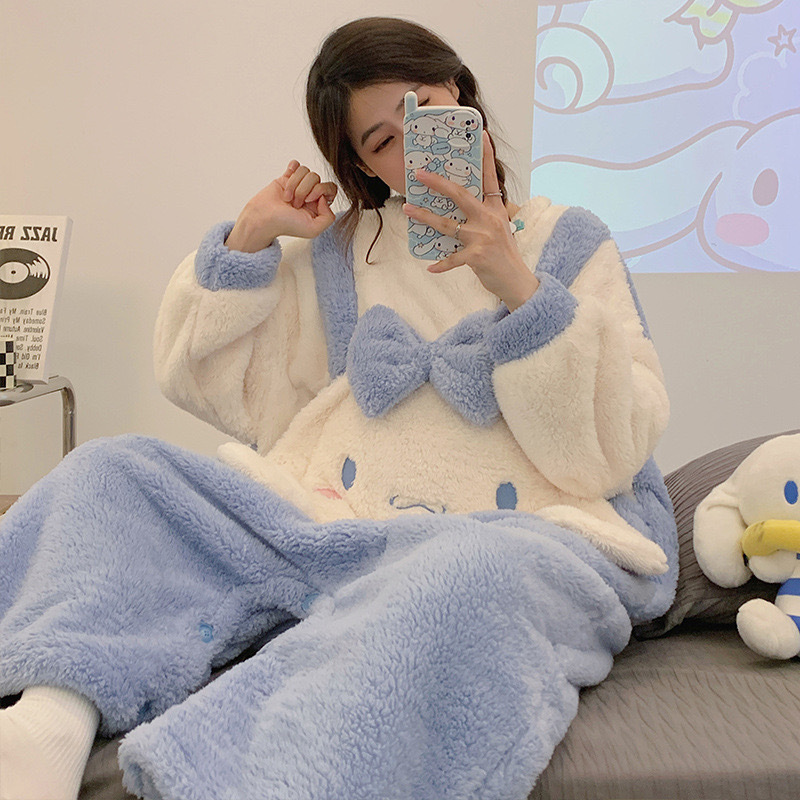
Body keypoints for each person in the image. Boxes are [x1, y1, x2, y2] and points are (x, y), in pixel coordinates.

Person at [0, 17, 677, 800]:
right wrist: (251, 238)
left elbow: (608, 452)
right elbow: (221, 389)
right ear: (360, 163)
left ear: (459, 93)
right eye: (383, 140)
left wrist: (519, 289)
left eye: (424, 109)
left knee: (467, 573)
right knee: (113, 471)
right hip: (338, 520)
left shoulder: (566, 241)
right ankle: (49, 718)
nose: (412, 144)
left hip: (516, 528)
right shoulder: (341, 252)